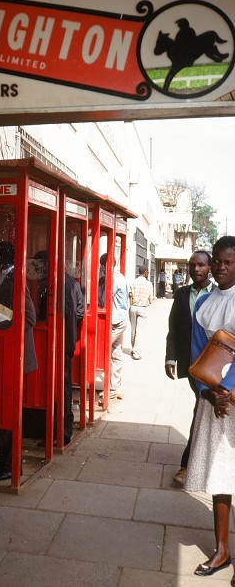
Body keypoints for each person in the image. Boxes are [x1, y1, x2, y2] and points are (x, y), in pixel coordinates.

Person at [185, 236, 235, 578]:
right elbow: (197, 353)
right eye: (216, 260)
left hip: (231, 396)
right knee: (221, 475)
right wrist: (208, 391)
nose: (219, 267)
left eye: (227, 262)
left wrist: (228, 390)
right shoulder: (205, 302)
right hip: (215, 401)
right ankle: (222, 551)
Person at [0, 241, 38, 481]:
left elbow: (28, 317)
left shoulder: (16, 279)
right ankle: (3, 459)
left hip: (14, 354)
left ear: (1, 260)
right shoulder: (7, 278)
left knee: (8, 410)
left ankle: (11, 465)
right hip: (5, 353)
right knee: (0, 409)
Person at [165, 250, 213, 485]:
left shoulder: (217, 294)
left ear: (209, 267)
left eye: (201, 265)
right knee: (202, 408)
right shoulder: (182, 294)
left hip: (215, 365)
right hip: (192, 365)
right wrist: (170, 358)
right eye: (192, 265)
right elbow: (173, 328)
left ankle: (190, 464)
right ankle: (189, 466)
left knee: (203, 411)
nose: (196, 269)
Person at [64, 272, 85, 444]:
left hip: (59, 342)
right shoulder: (73, 283)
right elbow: (80, 311)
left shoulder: (56, 283)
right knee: (66, 385)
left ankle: (63, 429)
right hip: (68, 340)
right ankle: (65, 428)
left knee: (62, 386)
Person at [110, 261, 129, 399]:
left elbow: (105, 297)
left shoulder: (114, 278)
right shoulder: (121, 277)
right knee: (116, 352)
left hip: (115, 319)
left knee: (103, 349)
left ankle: (111, 388)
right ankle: (115, 386)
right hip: (120, 317)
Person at [129, 265, 153, 360]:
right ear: (145, 272)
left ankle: (133, 348)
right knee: (140, 331)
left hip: (133, 307)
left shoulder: (133, 282)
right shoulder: (149, 284)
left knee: (133, 329)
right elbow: (150, 299)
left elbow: (130, 295)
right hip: (142, 308)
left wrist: (132, 305)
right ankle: (136, 352)